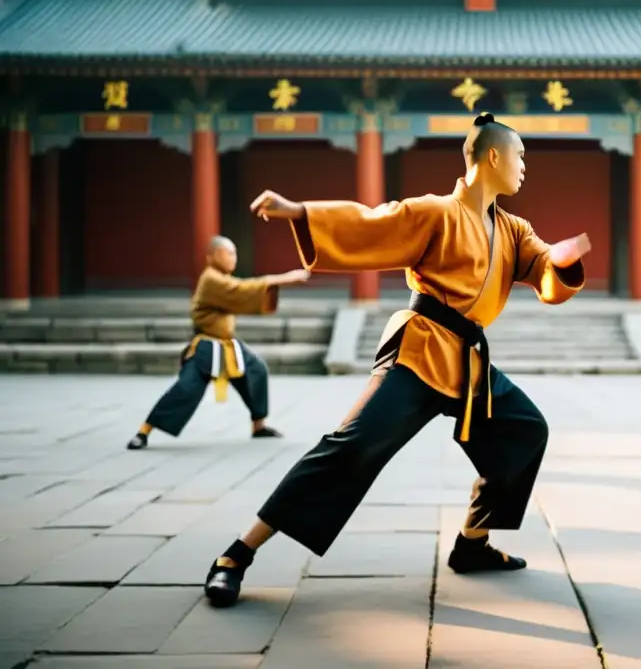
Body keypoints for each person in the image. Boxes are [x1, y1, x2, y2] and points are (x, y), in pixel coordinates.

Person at [202, 113, 591, 608]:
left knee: (524, 430)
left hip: (467, 363)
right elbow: (372, 222)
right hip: (422, 348)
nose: (524, 168)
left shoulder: (514, 229)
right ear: (492, 156)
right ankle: (236, 554)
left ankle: (473, 544)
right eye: (520, 157)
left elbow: (545, 275)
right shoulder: (435, 212)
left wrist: (560, 261)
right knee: (352, 447)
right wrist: (301, 212)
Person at [126, 236, 310, 450]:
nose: (233, 258)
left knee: (256, 371)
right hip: (206, 346)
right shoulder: (211, 279)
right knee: (186, 388)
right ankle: (144, 431)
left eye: (234, 254)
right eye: (228, 253)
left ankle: (258, 426)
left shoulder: (222, 279)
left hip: (227, 344)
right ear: (211, 256)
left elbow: (239, 293)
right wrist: (284, 278)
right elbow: (241, 289)